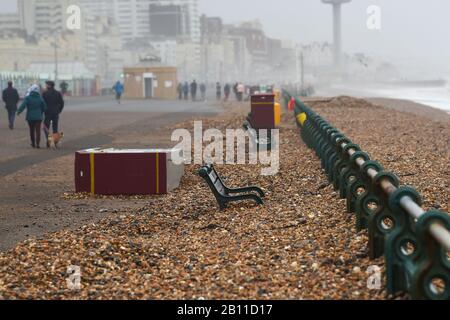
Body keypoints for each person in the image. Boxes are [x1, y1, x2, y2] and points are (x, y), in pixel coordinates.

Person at [42, 81, 64, 148]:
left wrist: (43, 110)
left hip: (47, 113)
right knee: (55, 128)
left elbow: (42, 103)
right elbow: (62, 103)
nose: (45, 86)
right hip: (55, 113)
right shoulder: (58, 93)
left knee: (46, 127)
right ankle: (55, 142)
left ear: (49, 85)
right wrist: (59, 110)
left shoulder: (45, 93)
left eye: (46, 85)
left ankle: (49, 140)